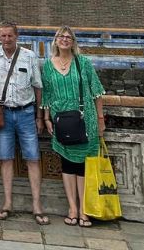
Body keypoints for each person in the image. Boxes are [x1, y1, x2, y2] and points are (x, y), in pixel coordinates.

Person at [0, 21, 48, 224]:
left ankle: (37, 205)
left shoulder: (29, 56)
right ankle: (7, 202)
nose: (6, 39)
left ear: (16, 36)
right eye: (3, 36)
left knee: (33, 158)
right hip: (4, 114)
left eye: (10, 36)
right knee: (6, 158)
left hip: (26, 113)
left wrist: (39, 116)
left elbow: (38, 87)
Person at [42, 26, 106, 228]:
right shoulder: (47, 65)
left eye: (69, 37)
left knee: (83, 165)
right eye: (61, 36)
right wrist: (46, 118)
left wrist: (100, 118)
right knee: (67, 164)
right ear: (55, 41)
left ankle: (85, 210)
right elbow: (47, 94)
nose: (65, 40)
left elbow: (96, 91)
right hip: (61, 121)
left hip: (85, 120)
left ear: (74, 42)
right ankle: (72, 208)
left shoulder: (83, 63)